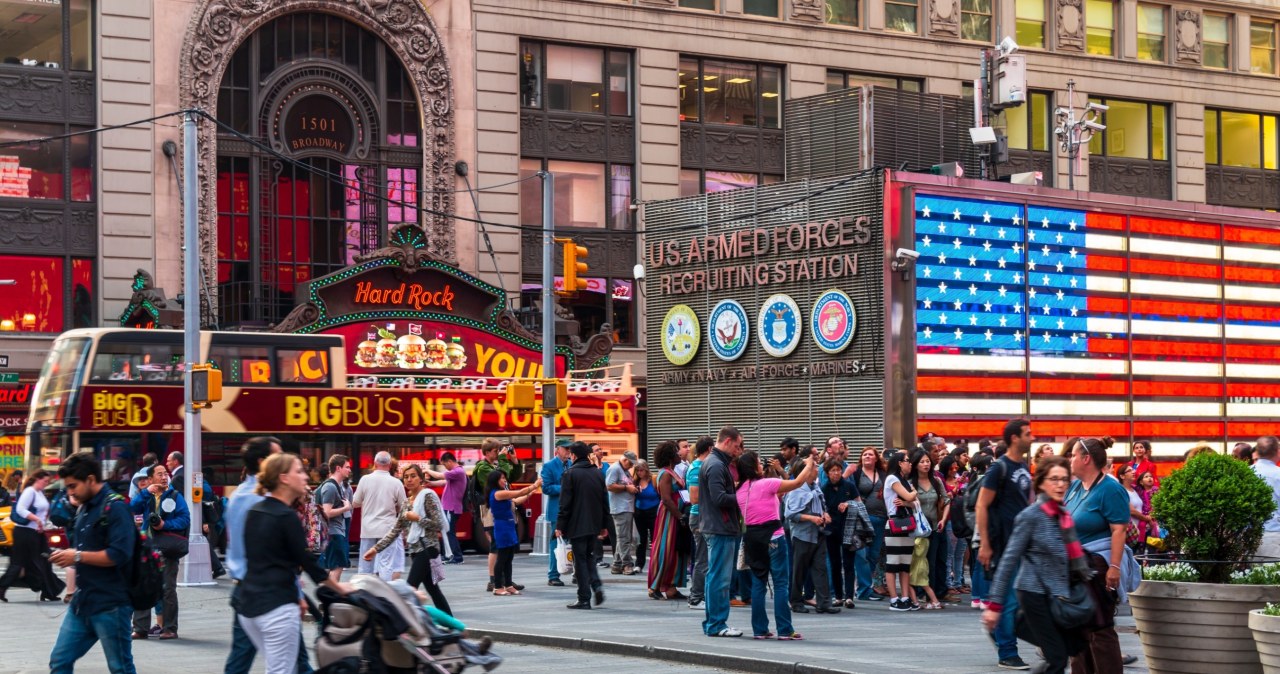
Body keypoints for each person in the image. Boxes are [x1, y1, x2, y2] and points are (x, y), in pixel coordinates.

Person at [234, 453, 351, 674]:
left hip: (249, 608)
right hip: (276, 608)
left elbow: (261, 560)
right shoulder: (286, 516)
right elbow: (308, 562)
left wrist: (297, 594)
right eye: (299, 471)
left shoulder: (255, 510)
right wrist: (340, 588)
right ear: (284, 478)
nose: (305, 476)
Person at [981, 456, 1088, 674]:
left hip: (1058, 595)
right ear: (1040, 483)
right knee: (1057, 658)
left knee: (1070, 649)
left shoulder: (1063, 515)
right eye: (1054, 479)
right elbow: (1008, 560)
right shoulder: (1030, 516)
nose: (1060, 485)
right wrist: (995, 606)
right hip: (1034, 594)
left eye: (1064, 479)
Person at [224, 437, 315, 674]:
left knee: (241, 661)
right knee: (294, 663)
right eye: (279, 455)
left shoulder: (238, 496)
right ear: (263, 462)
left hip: (247, 590)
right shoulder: (265, 502)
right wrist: (297, 593)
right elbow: (277, 554)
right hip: (270, 594)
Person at [48, 454, 135, 674]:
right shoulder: (85, 507)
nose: (70, 492)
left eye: (73, 486)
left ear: (90, 479)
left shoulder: (116, 507)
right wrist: (67, 555)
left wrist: (77, 556)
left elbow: (119, 554)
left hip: (111, 604)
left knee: (120, 668)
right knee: (59, 661)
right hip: (82, 603)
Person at [1066, 437, 1132, 674]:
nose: (1070, 459)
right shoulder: (1075, 487)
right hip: (1075, 565)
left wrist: (1114, 567)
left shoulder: (1111, 489)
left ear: (1086, 459)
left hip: (1097, 565)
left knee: (1099, 628)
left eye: (1073, 455)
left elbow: (1119, 530)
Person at [976, 419, 1035, 670]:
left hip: (1022, 542)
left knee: (1021, 597)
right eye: (1028, 434)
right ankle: (1007, 651)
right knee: (1009, 598)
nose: (1032, 438)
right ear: (1014, 438)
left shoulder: (1022, 466)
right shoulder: (999, 468)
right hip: (1003, 543)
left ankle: (996, 626)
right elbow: (982, 505)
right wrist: (985, 544)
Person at [736, 449, 815, 640]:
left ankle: (759, 630)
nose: (761, 465)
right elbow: (797, 483)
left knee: (758, 583)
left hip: (752, 539)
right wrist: (810, 464)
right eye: (758, 462)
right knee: (780, 584)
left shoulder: (739, 490)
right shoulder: (767, 483)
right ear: (752, 467)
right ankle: (785, 629)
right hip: (773, 536)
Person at [363, 464, 452, 614]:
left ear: (421, 478)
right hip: (415, 550)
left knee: (409, 588)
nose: (409, 480)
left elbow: (438, 524)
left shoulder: (427, 496)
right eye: (406, 477)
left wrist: (418, 519)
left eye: (413, 476)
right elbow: (395, 530)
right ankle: (452, 624)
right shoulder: (406, 503)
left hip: (428, 549)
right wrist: (375, 549)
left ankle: (401, 621)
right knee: (433, 590)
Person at [128, 464, 188, 640]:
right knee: (142, 585)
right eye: (159, 474)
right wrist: (146, 492)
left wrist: (164, 525)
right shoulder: (146, 495)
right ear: (150, 479)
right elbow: (133, 507)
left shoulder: (175, 496)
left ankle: (169, 628)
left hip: (167, 548)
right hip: (147, 547)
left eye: (165, 474)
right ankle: (140, 628)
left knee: (167, 588)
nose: (163, 477)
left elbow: (184, 519)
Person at [702, 425, 746, 638]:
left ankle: (713, 623)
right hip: (720, 527)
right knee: (720, 579)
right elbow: (719, 498)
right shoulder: (716, 464)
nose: (739, 451)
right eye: (737, 446)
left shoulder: (715, 462)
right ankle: (717, 624)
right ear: (727, 441)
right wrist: (745, 497)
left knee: (715, 577)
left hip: (717, 526)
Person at [555, 441, 609, 610]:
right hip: (594, 524)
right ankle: (596, 585)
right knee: (589, 557)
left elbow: (565, 504)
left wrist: (560, 525)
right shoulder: (597, 473)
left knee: (580, 561)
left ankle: (584, 598)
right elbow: (604, 501)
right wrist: (604, 524)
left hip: (576, 524)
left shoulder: (569, 474)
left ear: (574, 455)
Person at [0, 470, 65, 602]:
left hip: (37, 533)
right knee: (18, 563)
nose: (46, 483)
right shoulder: (29, 491)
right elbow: (20, 509)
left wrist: (42, 523)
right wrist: (36, 519)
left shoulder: (39, 493)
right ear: (37, 479)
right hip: (24, 532)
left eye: (48, 481)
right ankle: (2, 587)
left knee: (46, 560)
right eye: (45, 481)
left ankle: (49, 591)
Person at [785, 456, 839, 615]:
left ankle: (824, 603)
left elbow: (822, 505)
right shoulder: (796, 489)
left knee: (820, 569)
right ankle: (796, 601)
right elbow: (790, 514)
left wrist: (825, 514)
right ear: (806, 470)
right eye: (814, 466)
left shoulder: (815, 487)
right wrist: (811, 518)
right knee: (799, 570)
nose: (817, 469)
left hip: (818, 533)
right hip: (802, 535)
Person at [473, 439, 522, 592]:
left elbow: (511, 477)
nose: (499, 453)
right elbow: (499, 479)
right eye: (496, 451)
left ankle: (506, 580)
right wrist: (503, 458)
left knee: (507, 547)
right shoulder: (482, 468)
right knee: (496, 546)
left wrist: (514, 461)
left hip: (504, 508)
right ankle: (493, 580)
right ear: (487, 452)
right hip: (491, 511)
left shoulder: (495, 466)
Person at [485, 468, 540, 596]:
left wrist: (531, 493)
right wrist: (534, 485)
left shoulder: (502, 494)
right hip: (502, 528)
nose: (505, 480)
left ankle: (508, 585)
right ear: (495, 480)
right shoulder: (497, 493)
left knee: (509, 558)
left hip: (509, 526)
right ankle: (497, 587)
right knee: (502, 558)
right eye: (502, 478)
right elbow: (518, 493)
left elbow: (516, 501)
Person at [352, 451, 407, 578]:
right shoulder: (396, 483)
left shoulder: (365, 480)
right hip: (388, 529)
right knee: (386, 565)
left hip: (368, 529)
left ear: (375, 463)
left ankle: (365, 589)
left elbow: (355, 503)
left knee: (366, 566)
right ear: (389, 464)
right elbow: (404, 507)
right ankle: (384, 589)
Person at [647, 441, 689, 600]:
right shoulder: (665, 473)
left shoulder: (671, 471)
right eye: (676, 452)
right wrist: (680, 515)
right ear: (670, 456)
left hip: (675, 514)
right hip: (669, 516)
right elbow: (666, 498)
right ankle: (654, 586)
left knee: (675, 550)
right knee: (665, 550)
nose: (679, 454)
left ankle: (671, 587)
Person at [883, 450, 919, 611]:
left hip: (906, 522)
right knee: (892, 563)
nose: (910, 463)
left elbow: (915, 503)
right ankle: (894, 599)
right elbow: (912, 497)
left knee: (905, 564)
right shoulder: (892, 478)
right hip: (894, 523)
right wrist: (914, 493)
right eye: (907, 460)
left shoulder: (905, 481)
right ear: (899, 463)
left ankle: (905, 597)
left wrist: (906, 502)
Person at [822, 460, 858, 609]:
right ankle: (838, 596)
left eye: (838, 470)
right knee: (835, 563)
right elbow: (821, 507)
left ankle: (849, 596)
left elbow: (859, 503)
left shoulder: (849, 486)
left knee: (849, 563)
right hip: (831, 529)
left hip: (848, 527)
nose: (836, 473)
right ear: (827, 473)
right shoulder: (824, 488)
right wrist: (824, 514)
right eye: (833, 471)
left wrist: (848, 504)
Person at [853, 446, 887, 601]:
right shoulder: (857, 473)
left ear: (876, 458)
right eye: (864, 454)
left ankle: (867, 585)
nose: (867, 456)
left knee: (874, 554)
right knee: (863, 555)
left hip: (880, 518)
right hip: (862, 518)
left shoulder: (882, 474)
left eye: (870, 454)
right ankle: (863, 588)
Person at [686, 436, 714, 610]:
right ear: (710, 449)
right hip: (700, 517)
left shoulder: (700, 466)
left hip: (703, 517)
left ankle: (699, 595)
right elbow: (694, 498)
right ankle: (696, 598)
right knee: (702, 559)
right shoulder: (697, 468)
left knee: (705, 558)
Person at [425, 451, 468, 565]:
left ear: (449, 461)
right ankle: (448, 555)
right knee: (446, 531)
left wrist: (427, 470)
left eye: (444, 464)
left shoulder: (458, 471)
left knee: (449, 532)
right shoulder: (456, 473)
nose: (445, 467)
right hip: (449, 507)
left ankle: (457, 557)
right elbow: (444, 482)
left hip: (451, 508)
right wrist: (431, 483)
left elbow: (440, 476)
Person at [316, 454, 353, 582]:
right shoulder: (330, 487)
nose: (349, 470)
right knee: (337, 567)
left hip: (333, 532)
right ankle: (332, 593)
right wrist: (345, 508)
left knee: (333, 567)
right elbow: (327, 512)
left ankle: (329, 592)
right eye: (347, 467)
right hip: (334, 533)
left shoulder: (334, 485)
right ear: (338, 468)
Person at [540, 441, 571, 585]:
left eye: (569, 449)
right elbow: (546, 488)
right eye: (565, 448)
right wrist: (565, 488)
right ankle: (553, 575)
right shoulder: (549, 466)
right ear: (557, 450)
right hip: (557, 511)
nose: (568, 451)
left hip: (571, 509)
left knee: (571, 542)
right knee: (556, 543)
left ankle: (573, 572)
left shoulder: (571, 464)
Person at [604, 450, 640, 575]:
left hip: (625, 507)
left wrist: (632, 488)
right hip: (620, 508)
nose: (632, 466)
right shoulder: (615, 469)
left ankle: (617, 564)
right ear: (625, 460)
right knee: (624, 538)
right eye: (631, 463)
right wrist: (626, 488)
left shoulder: (623, 470)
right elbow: (609, 486)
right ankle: (626, 564)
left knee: (623, 537)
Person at [941, 456, 970, 596]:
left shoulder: (961, 480)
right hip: (949, 519)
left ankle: (958, 582)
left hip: (961, 519)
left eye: (956, 467)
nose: (955, 469)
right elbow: (946, 498)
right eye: (952, 467)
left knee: (960, 553)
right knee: (950, 554)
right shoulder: (942, 482)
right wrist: (957, 487)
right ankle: (949, 584)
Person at [1117, 464, 1153, 555]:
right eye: (1129, 471)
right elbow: (1131, 511)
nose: (1133, 472)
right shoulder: (1121, 490)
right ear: (1122, 476)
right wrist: (1146, 518)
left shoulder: (1135, 489)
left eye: (1133, 470)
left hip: (1140, 531)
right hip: (1130, 533)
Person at [1254, 436, 1280, 561]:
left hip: (1247, 536)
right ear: (1277, 451)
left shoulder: (1245, 473)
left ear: (1257, 452)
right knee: (1273, 571)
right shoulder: (1278, 474)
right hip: (1274, 535)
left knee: (1249, 572)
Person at [632, 460, 659, 570]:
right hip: (639, 512)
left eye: (641, 470)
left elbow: (661, 494)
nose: (639, 472)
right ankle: (639, 564)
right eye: (637, 470)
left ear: (646, 469)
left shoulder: (654, 479)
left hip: (653, 510)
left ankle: (655, 563)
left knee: (654, 538)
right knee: (641, 539)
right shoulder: (635, 481)